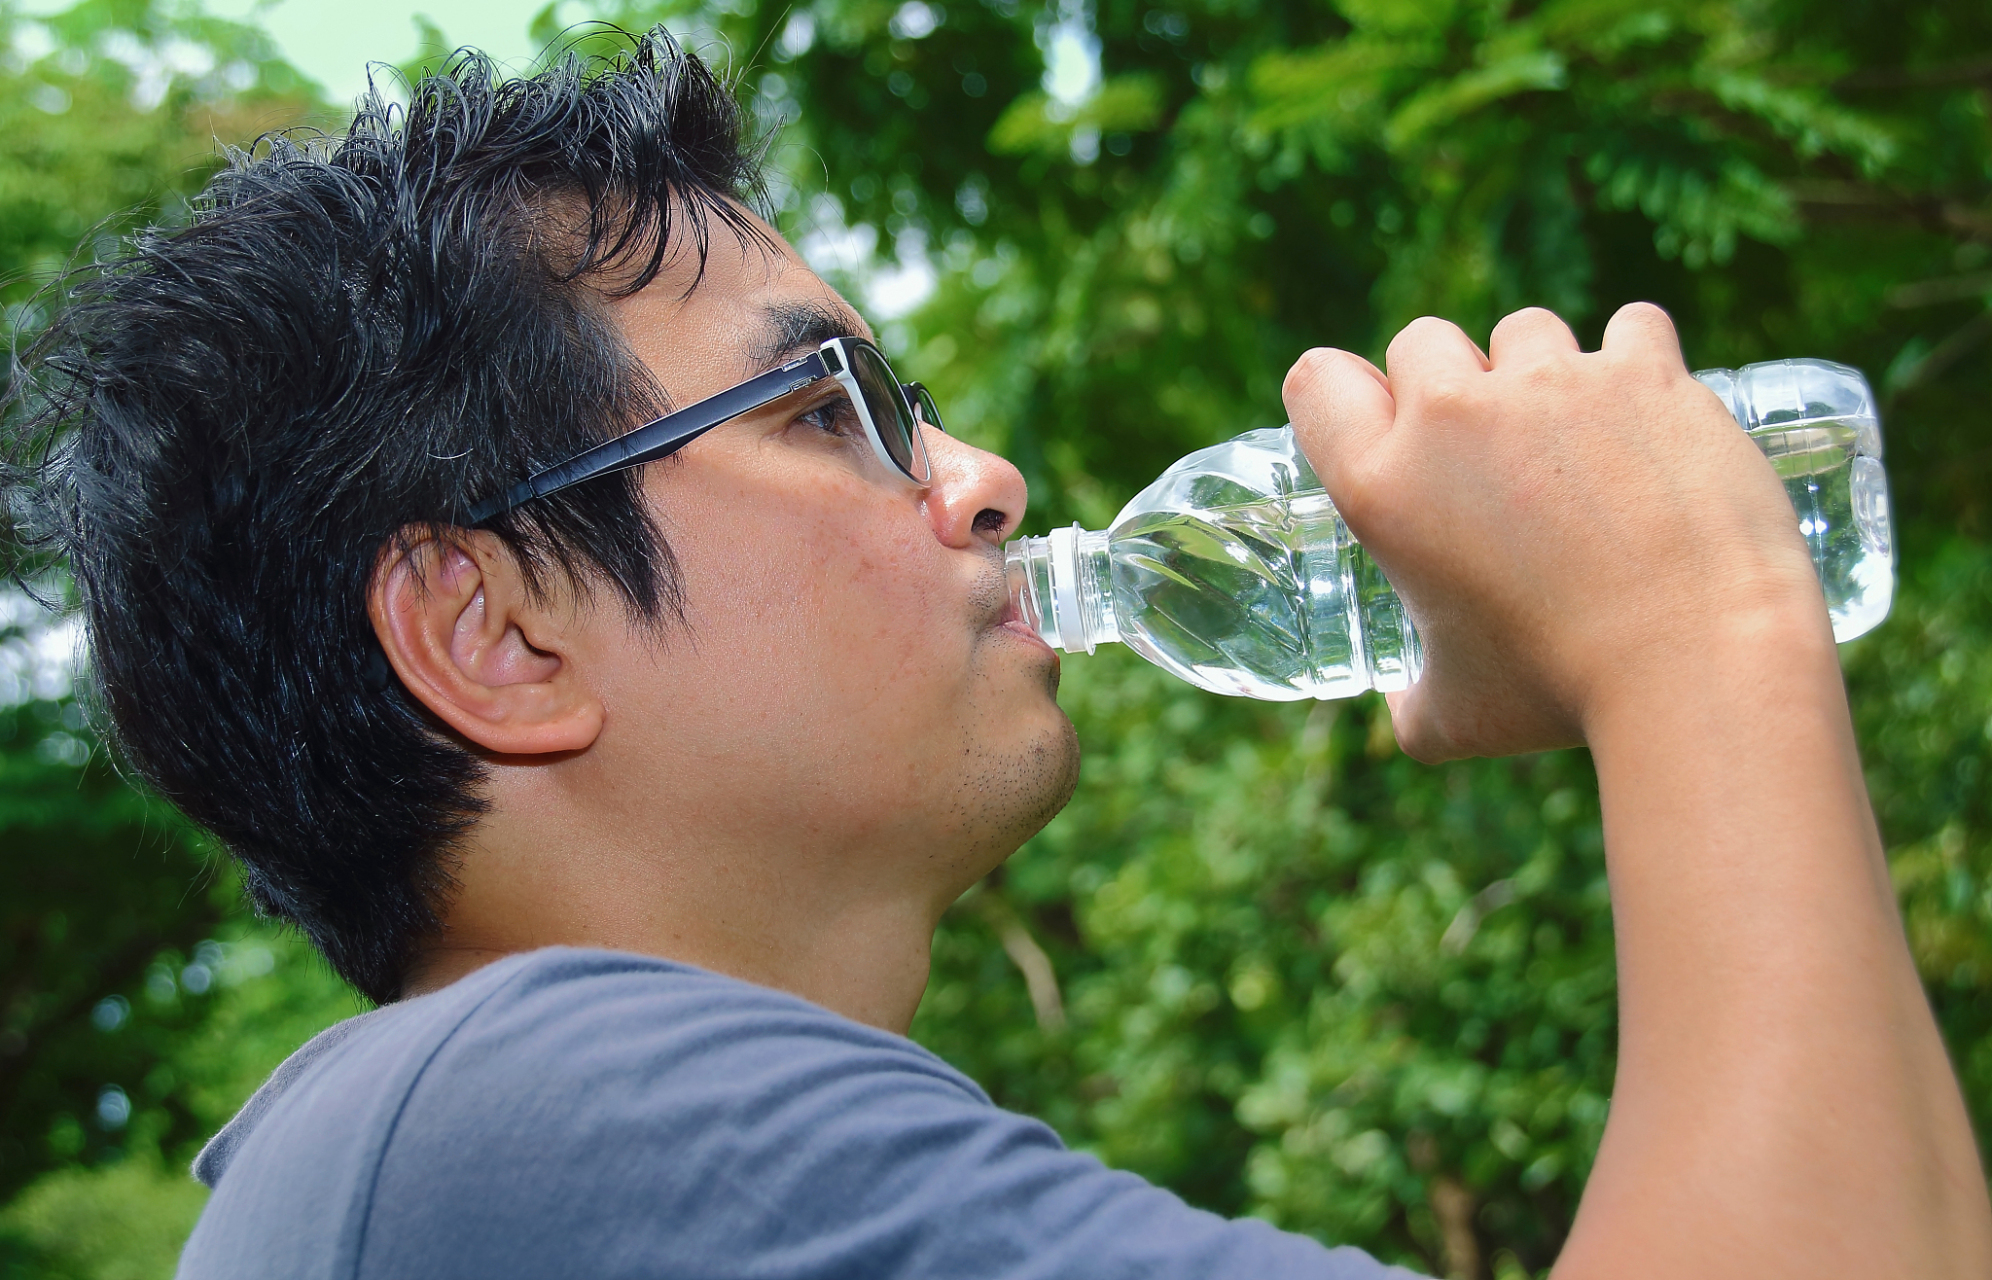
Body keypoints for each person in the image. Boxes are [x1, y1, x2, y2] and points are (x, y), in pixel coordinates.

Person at [7, 28, 1987, 1280]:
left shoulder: (504, 1160)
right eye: (823, 413)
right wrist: (1690, 628)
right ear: (498, 633)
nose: (983, 480)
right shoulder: (530, 1108)